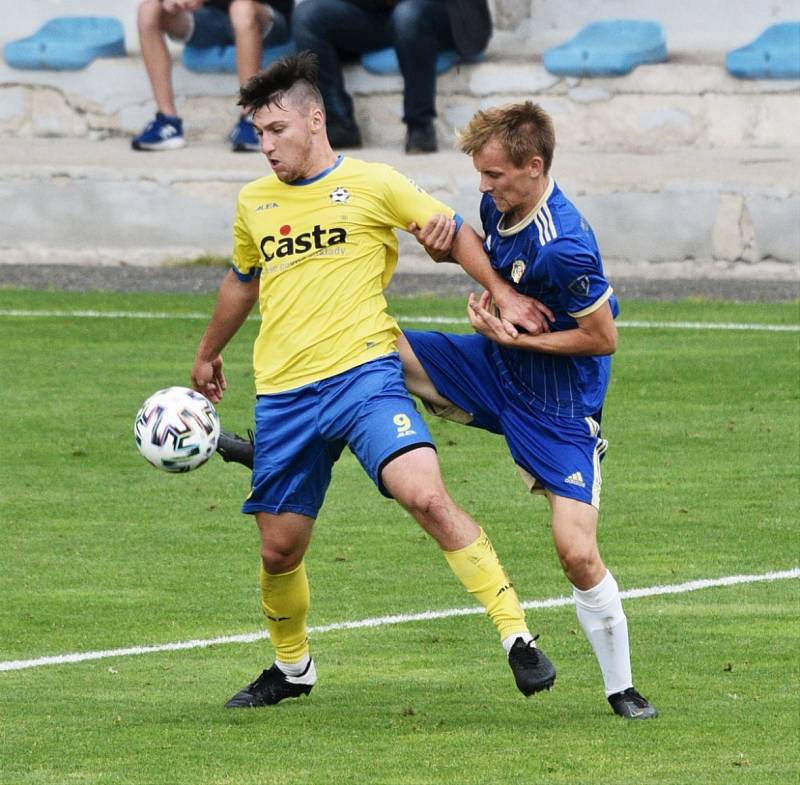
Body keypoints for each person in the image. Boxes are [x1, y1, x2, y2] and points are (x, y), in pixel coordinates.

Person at [217, 100, 659, 720]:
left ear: (533, 167)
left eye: (494, 175)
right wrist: (476, 289)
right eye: (479, 174)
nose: (483, 187)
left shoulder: (568, 248)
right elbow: (469, 247)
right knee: (369, 342)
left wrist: (519, 337)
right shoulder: (497, 207)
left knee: (575, 552)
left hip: (556, 404)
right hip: (490, 365)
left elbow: (603, 339)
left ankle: (623, 691)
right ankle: (285, 448)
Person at [190, 52, 556, 708]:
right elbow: (241, 280)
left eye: (275, 130)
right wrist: (208, 351)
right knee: (278, 550)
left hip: (364, 375)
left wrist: (500, 290)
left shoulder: (373, 182)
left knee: (425, 495)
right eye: (257, 133)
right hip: (284, 392)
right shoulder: (255, 203)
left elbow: (453, 232)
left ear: (314, 118)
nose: (264, 145)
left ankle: (517, 637)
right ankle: (293, 666)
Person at [291, 0, 491, 153]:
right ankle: (338, 125)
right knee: (308, 15)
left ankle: (420, 125)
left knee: (408, 15)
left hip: (439, 12)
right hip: (377, 13)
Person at [132, 0, 293, 152]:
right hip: (209, 18)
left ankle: (252, 118)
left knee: (242, 8)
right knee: (148, 11)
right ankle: (168, 122)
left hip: (265, 17)